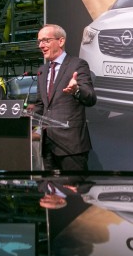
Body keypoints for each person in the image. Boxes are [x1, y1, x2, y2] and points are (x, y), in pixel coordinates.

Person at [29, 24, 96, 171]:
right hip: (47, 146)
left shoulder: (77, 65)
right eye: (39, 41)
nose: (41, 45)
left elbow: (91, 98)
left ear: (60, 41)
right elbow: (42, 105)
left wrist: (76, 90)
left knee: (73, 191)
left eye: (45, 40)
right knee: (51, 192)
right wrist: (27, 117)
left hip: (71, 146)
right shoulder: (42, 70)